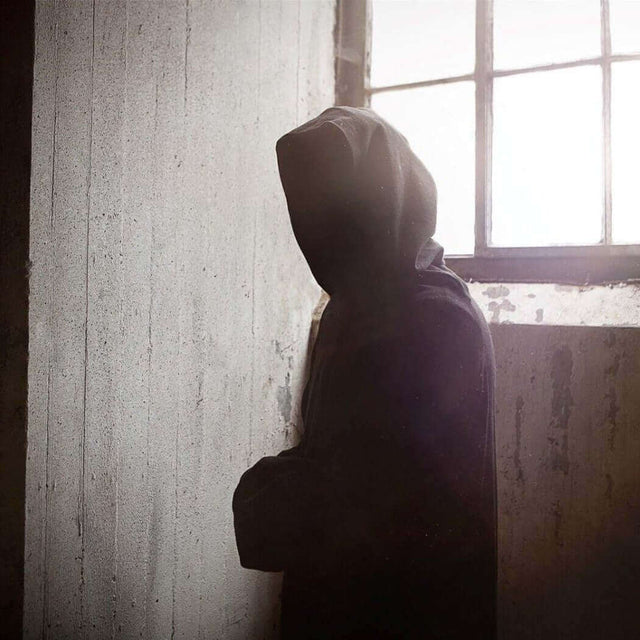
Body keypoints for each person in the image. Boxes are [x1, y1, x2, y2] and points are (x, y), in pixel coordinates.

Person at [232, 106, 497, 639]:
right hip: (336, 596)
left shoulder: (438, 319)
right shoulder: (351, 308)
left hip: (410, 605)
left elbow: (397, 496)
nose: (320, 231)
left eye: (338, 210)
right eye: (308, 211)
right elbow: (335, 448)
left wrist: (270, 492)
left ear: (386, 200)